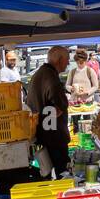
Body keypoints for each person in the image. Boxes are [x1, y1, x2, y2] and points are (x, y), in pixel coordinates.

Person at [27, 45, 71, 177]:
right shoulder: (50, 77)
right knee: (60, 171)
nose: (68, 63)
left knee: (53, 170)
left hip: (45, 131)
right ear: (59, 60)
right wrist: (59, 111)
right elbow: (60, 104)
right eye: (67, 59)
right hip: (52, 135)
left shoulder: (42, 73)